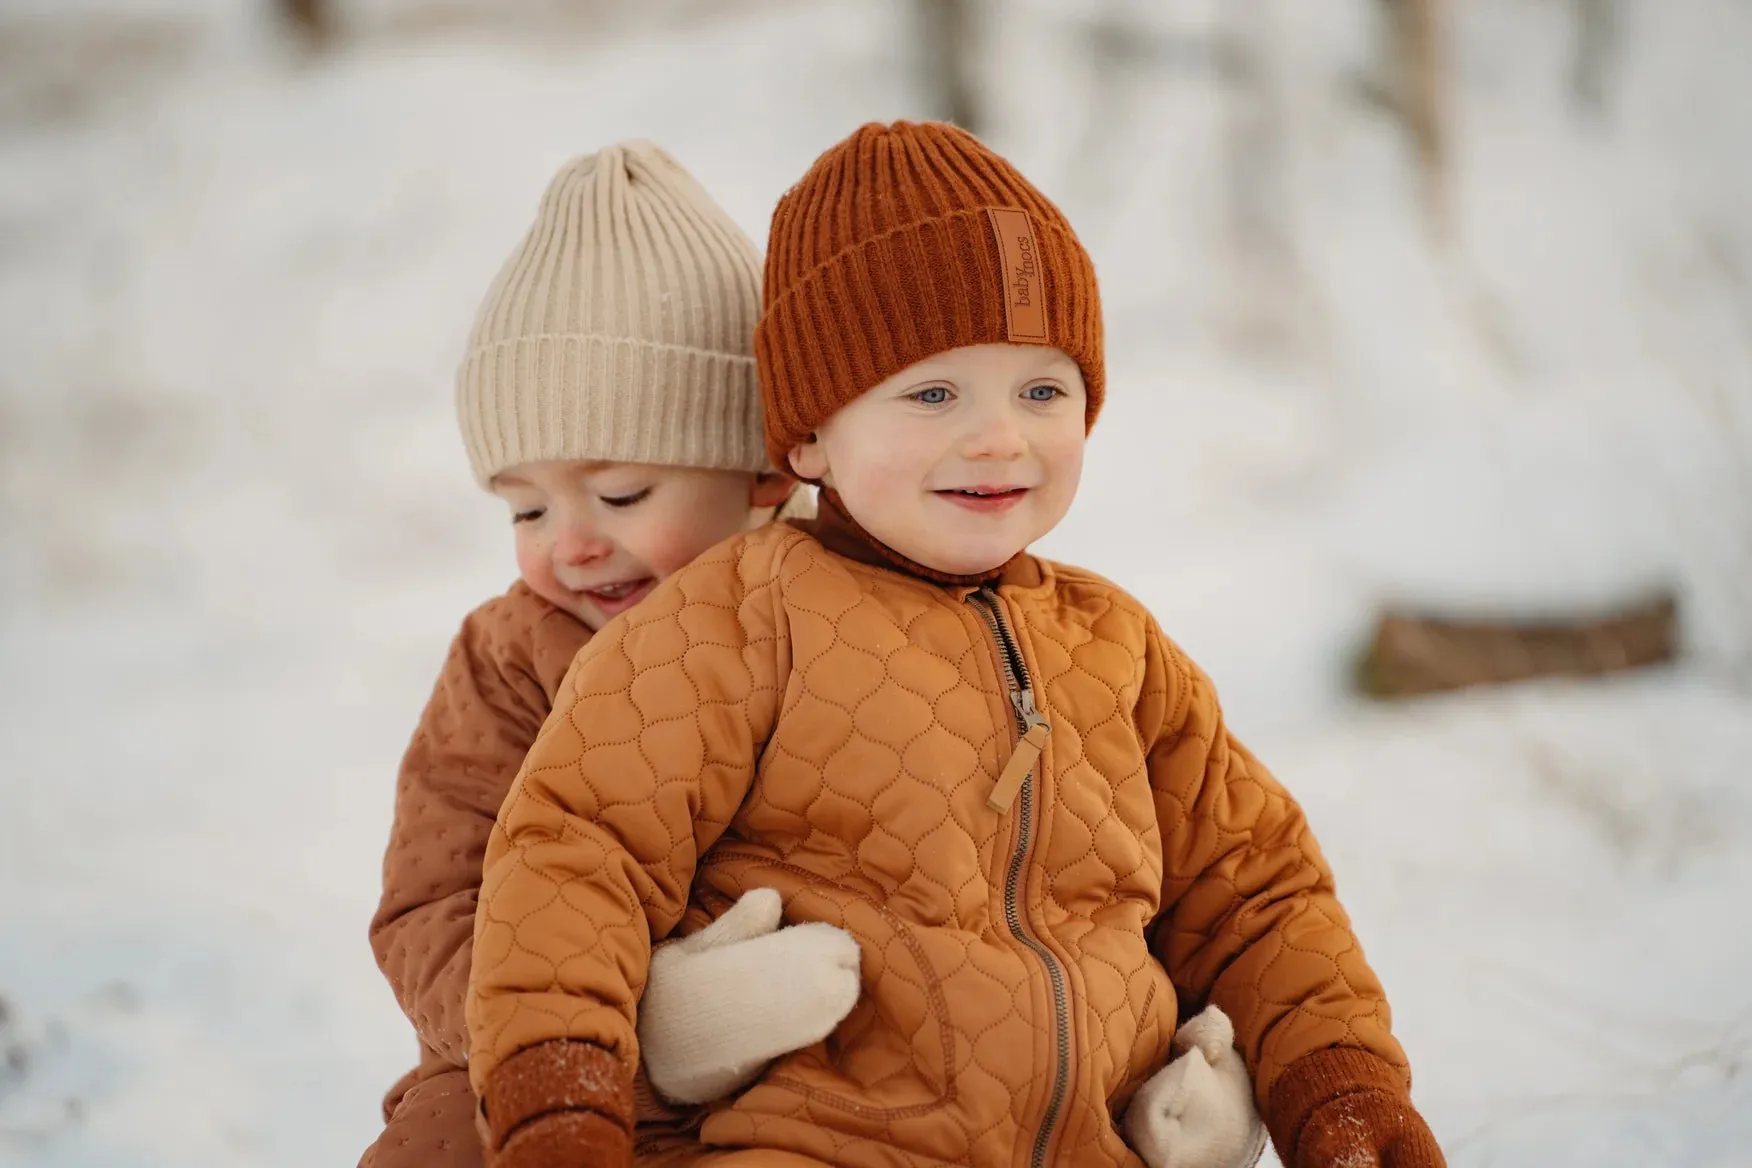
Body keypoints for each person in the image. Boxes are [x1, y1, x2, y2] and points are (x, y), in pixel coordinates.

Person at [466, 121, 1442, 1168]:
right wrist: (560, 1104)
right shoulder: (733, 622)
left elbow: (1255, 887)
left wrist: (1339, 1084)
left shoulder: (1117, 646)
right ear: (807, 438)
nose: (997, 436)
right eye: (933, 392)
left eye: (1042, 389)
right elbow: (578, 850)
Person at [360, 140, 862, 1168]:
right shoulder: (510, 663)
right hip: (534, 1064)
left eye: (621, 495)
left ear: (763, 470)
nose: (570, 544)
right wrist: (623, 1038)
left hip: (826, 1059)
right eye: (526, 507)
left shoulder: (857, 619)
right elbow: (430, 903)